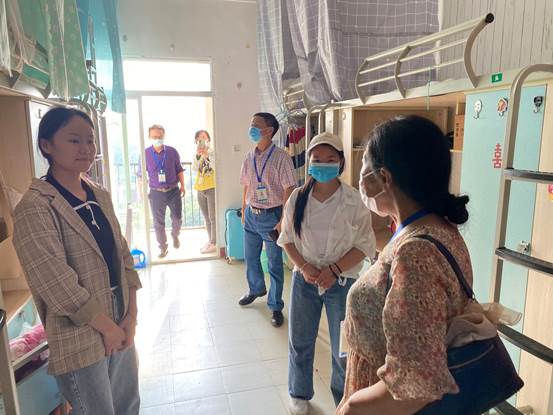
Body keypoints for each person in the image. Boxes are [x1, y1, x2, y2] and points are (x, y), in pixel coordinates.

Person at [336, 116, 473, 415]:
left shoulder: (416, 254)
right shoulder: (436, 228)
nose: (360, 182)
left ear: (384, 178)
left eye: (364, 170)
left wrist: (351, 408)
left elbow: (415, 385)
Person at [12, 107, 142, 414]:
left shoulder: (99, 194)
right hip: (80, 332)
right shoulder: (35, 206)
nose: (85, 149)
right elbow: (56, 283)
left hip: (120, 318)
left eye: (90, 140)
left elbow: (123, 255)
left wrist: (131, 316)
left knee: (128, 405)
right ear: (47, 145)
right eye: (74, 140)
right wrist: (107, 328)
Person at [278, 132, 376, 415]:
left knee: (343, 348)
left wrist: (334, 270)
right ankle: (298, 393)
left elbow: (364, 245)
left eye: (330, 159)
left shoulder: (354, 199)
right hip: (304, 280)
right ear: (309, 162)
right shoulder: (298, 198)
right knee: (300, 340)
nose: (323, 164)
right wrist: (305, 267)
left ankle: (342, 400)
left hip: (341, 283)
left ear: (341, 162)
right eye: (317, 159)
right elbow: (286, 239)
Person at [238, 112, 297, 327]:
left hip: (272, 215)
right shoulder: (249, 157)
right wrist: (244, 209)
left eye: (256, 125)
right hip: (251, 214)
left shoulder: (282, 157)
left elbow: (289, 188)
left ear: (269, 131)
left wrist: (283, 218)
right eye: (251, 124)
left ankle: (275, 305)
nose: (251, 128)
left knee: (274, 264)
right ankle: (256, 289)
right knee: (250, 257)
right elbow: (246, 184)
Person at [144, 124, 185, 258]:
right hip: (155, 192)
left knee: (177, 218)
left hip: (173, 190)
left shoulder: (172, 152)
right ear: (149, 137)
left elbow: (179, 170)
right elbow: (140, 175)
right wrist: (141, 192)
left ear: (164, 136)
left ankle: (175, 234)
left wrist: (183, 186)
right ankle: (163, 248)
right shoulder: (145, 154)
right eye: (154, 136)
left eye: (160, 136)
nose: (157, 139)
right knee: (158, 222)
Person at [192, 130, 217, 254]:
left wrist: (207, 155)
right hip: (200, 187)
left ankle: (215, 242)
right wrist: (198, 156)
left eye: (204, 137)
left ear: (208, 139)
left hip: (212, 187)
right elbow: (194, 168)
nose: (202, 140)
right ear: (196, 141)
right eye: (199, 138)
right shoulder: (197, 153)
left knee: (213, 217)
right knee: (206, 217)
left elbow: (215, 166)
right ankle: (210, 241)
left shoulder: (213, 152)